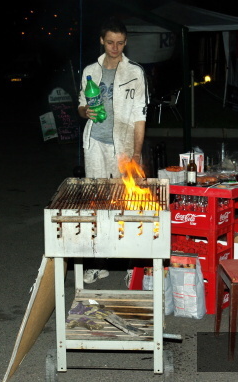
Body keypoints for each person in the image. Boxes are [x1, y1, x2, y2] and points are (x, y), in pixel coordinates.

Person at [77, 17, 149, 284]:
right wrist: (86, 111)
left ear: (126, 42)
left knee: (127, 204)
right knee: (97, 204)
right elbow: (82, 106)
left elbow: (141, 116)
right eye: (110, 42)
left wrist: (137, 154)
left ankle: (133, 264)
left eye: (120, 43)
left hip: (124, 147)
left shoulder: (135, 72)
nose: (115, 48)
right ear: (101, 41)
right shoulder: (89, 71)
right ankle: (99, 263)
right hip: (95, 144)